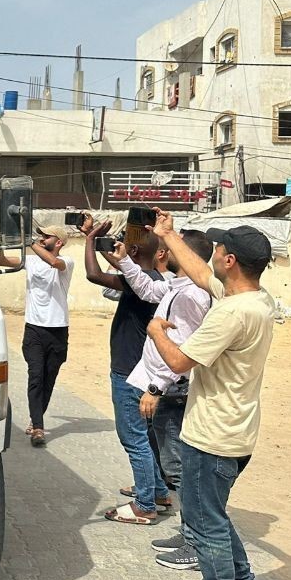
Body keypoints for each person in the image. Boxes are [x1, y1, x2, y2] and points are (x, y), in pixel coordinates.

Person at [148, 214, 276, 580]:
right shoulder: (255, 299)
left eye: (219, 249)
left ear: (231, 260)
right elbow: (201, 274)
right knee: (215, 514)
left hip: (212, 434)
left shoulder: (231, 315)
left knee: (205, 522)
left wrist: (155, 332)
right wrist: (167, 235)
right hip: (235, 431)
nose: (214, 253)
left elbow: (181, 361)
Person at [114, 228, 215, 570]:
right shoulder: (179, 286)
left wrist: (155, 388)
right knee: (176, 467)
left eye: (173, 243)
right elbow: (146, 289)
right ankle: (189, 534)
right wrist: (124, 260)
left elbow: (182, 350)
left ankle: (196, 543)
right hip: (167, 388)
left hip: (172, 390)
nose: (164, 248)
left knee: (181, 470)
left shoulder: (191, 297)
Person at [84, 219, 169, 526]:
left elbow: (93, 275)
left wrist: (91, 240)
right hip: (142, 371)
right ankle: (158, 491)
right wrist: (101, 241)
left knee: (133, 439)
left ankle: (144, 504)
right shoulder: (154, 278)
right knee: (144, 435)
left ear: (132, 250)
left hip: (128, 373)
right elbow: (118, 264)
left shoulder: (139, 282)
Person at [0, 225, 74, 447]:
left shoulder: (67, 262)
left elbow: (54, 263)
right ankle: (38, 427)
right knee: (36, 376)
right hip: (34, 330)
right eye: (40, 235)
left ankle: (35, 418)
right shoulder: (31, 261)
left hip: (58, 330)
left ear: (58, 242)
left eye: (46, 236)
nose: (41, 238)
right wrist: (3, 240)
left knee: (49, 380)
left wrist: (29, 242)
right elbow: (1, 261)